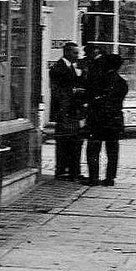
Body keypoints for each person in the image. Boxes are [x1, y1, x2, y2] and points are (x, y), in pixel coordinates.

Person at [84, 53, 128, 186]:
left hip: (97, 119)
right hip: (114, 120)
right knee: (112, 150)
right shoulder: (122, 83)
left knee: (93, 149)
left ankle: (93, 178)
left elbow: (91, 97)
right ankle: (110, 178)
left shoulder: (98, 80)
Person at [49, 41, 86, 181]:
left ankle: (73, 171)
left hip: (72, 111)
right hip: (64, 112)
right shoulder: (58, 68)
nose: (77, 56)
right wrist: (74, 91)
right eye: (75, 53)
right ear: (67, 52)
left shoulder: (71, 67)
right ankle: (63, 171)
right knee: (65, 142)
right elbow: (57, 91)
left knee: (74, 142)